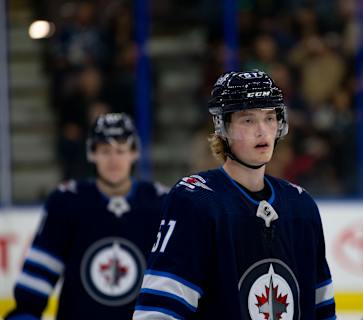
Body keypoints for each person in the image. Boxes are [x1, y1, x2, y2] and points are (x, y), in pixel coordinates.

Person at [134, 70, 336, 319]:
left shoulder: (301, 206)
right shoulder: (195, 201)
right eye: (248, 120)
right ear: (222, 127)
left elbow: (321, 309)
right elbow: (158, 312)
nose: (262, 131)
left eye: (270, 118)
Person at [5, 113, 168, 320]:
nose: (113, 159)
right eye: (105, 151)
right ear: (91, 153)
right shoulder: (66, 202)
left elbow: (175, 277)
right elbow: (38, 277)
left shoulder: (161, 203)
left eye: (120, 150)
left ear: (134, 153)